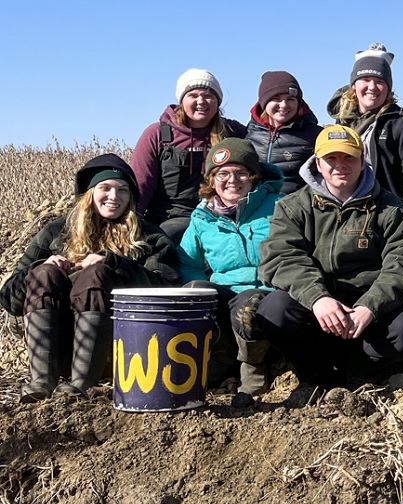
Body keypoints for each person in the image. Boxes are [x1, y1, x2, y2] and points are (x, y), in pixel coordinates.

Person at [256, 126, 403, 399]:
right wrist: (317, 299)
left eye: (349, 157)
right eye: (331, 159)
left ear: (362, 161)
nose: (340, 166)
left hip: (370, 312)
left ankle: (358, 373)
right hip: (319, 310)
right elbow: (281, 257)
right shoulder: (292, 207)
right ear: (317, 164)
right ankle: (316, 376)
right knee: (273, 309)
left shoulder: (392, 209)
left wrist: (370, 306)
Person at [1, 154, 179, 401]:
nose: (114, 197)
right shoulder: (55, 232)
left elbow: (168, 288)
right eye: (105, 188)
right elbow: (9, 298)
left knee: (96, 274)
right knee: (43, 273)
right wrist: (40, 268)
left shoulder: (150, 237)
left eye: (123, 190)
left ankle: (81, 385)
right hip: (56, 345)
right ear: (89, 193)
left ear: (131, 197)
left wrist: (117, 264)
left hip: (119, 352)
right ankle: (41, 382)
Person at [178, 138, 284, 407]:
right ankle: (218, 360)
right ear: (212, 180)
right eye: (222, 174)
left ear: (254, 176)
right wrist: (196, 284)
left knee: (248, 304)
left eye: (240, 173)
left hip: (266, 289)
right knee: (195, 293)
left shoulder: (279, 206)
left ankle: (253, 369)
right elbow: (188, 262)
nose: (232, 180)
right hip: (225, 290)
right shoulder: (202, 218)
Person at [130, 69, 247, 241]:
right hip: (168, 219)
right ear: (182, 100)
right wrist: (129, 227)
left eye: (208, 95)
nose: (201, 101)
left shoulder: (233, 132)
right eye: (193, 95)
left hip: (220, 217)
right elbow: (140, 187)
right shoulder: (157, 134)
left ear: (218, 101)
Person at [327, 43, 403, 226]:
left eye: (380, 81)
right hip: (345, 209)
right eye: (365, 79)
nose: (372, 87)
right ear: (354, 85)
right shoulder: (343, 123)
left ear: (388, 87)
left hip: (386, 213)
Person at [245, 71, 321, 195]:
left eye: (290, 99)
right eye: (276, 99)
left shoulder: (315, 135)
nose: (284, 105)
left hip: (295, 208)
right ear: (264, 102)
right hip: (256, 208)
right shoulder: (248, 133)